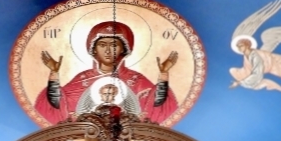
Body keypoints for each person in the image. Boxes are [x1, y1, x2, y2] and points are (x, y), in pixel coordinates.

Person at [35, 21, 179, 125]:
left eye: (114, 45)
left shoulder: (136, 80)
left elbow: (156, 107)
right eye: (102, 45)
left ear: (124, 49)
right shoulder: (82, 78)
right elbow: (58, 106)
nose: (108, 51)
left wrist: (163, 74)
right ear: (94, 49)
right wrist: (54, 73)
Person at [74, 76, 141, 117]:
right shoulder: (95, 109)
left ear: (114, 95)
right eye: (105, 94)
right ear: (101, 95)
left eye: (109, 94)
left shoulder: (120, 109)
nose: (107, 96)